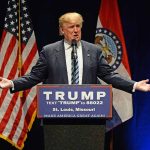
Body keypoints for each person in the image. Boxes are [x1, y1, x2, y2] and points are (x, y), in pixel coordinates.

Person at [0, 12, 150, 150]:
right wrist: (12, 83)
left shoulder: (94, 50)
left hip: (89, 120)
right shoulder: (49, 51)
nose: (76, 30)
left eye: (78, 26)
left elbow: (109, 75)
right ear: (61, 30)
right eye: (71, 26)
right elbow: (34, 77)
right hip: (57, 121)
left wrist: (135, 85)